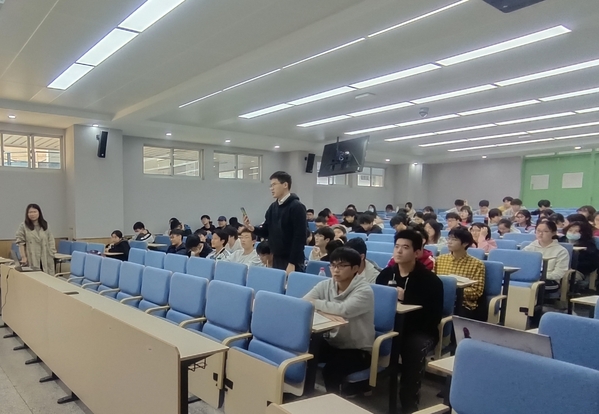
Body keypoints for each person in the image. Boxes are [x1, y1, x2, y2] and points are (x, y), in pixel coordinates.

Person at [376, 230, 443, 413]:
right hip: (391, 326)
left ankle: (409, 401)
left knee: (413, 347)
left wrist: (407, 297)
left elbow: (433, 317)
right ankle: (364, 384)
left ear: (417, 252)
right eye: (396, 246)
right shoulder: (386, 275)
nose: (399, 251)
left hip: (420, 331)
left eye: (405, 247)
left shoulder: (430, 281)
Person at [303, 248, 375, 395]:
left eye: (342, 266)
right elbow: (304, 302)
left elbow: (343, 310)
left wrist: (317, 304)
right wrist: (327, 312)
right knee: (303, 354)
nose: (336, 270)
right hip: (333, 343)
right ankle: (303, 393)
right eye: (333, 265)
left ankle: (334, 403)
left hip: (357, 350)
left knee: (331, 371)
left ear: (355, 268)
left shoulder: (364, 290)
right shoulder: (326, 284)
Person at [244, 171, 307, 274]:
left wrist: (292, 263)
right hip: (276, 257)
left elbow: (299, 238)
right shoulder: (273, 207)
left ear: (285, 185)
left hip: (292, 260)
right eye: (271, 185)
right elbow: (267, 231)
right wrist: (253, 228)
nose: (271, 188)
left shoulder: (297, 207)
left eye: (274, 184)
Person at [435, 227, 486, 321]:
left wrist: (454, 293)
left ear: (465, 243)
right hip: (440, 299)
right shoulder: (439, 260)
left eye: (454, 239)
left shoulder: (477, 264)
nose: (449, 242)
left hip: (463, 303)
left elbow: (477, 291)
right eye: (449, 238)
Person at [523, 221, 570, 295]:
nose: (540, 234)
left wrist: (540, 276)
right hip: (529, 278)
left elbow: (559, 273)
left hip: (550, 280)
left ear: (553, 233)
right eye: (538, 231)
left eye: (545, 231)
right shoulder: (528, 248)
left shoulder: (561, 251)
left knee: (535, 286)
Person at [16, 204, 56, 275]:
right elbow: (20, 242)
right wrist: (24, 257)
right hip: (32, 255)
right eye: (30, 212)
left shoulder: (45, 225)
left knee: (47, 276)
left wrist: (52, 252)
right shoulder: (23, 226)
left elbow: (51, 239)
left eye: (34, 212)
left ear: (39, 213)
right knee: (35, 276)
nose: (32, 214)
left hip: (46, 255)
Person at [560, 221, 599, 287]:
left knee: (565, 277)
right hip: (559, 267)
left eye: (576, 231)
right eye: (570, 230)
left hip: (577, 270)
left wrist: (573, 264)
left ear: (583, 233)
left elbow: (592, 263)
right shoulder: (561, 240)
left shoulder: (589, 246)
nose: (572, 233)